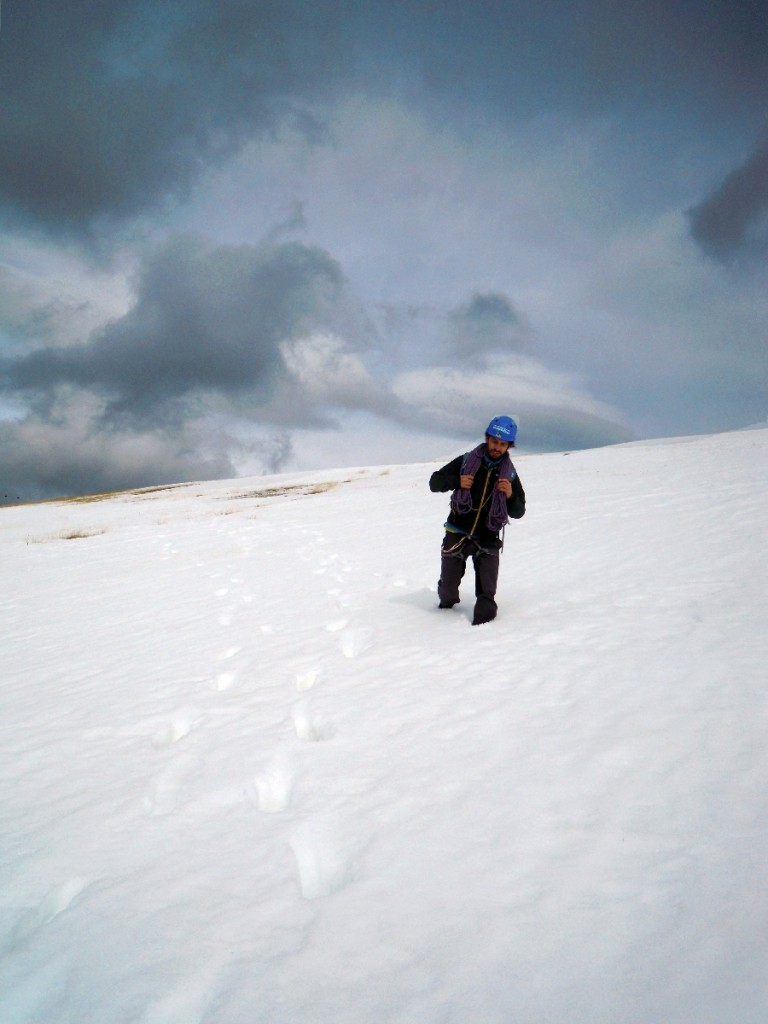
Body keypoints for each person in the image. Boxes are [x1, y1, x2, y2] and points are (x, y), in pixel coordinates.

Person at [429, 415, 526, 625]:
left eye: (502, 444)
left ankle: (481, 642)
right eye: (494, 441)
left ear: (509, 445)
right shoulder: (466, 461)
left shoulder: (509, 475)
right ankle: (440, 623)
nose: (497, 447)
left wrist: (509, 496)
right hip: (457, 531)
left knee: (486, 602)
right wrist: (457, 481)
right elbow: (434, 482)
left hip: (488, 537)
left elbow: (519, 511)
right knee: (447, 593)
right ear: (487, 438)